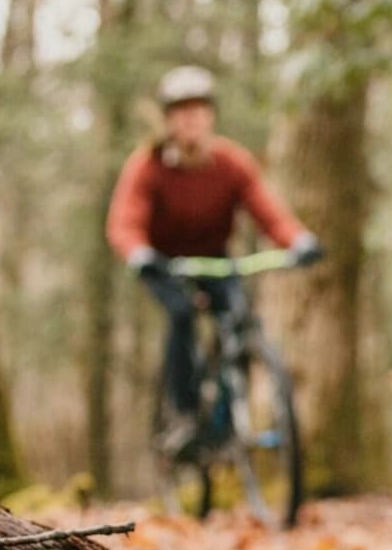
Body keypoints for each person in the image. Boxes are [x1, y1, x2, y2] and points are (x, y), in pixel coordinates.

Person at [106, 65, 322, 456]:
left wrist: (299, 240)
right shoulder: (148, 166)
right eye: (181, 111)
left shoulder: (231, 163)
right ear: (168, 120)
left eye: (199, 110)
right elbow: (125, 221)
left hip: (215, 259)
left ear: (211, 116)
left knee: (238, 319)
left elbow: (269, 212)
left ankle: (226, 419)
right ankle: (185, 417)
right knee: (182, 314)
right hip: (163, 262)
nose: (192, 119)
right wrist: (139, 253)